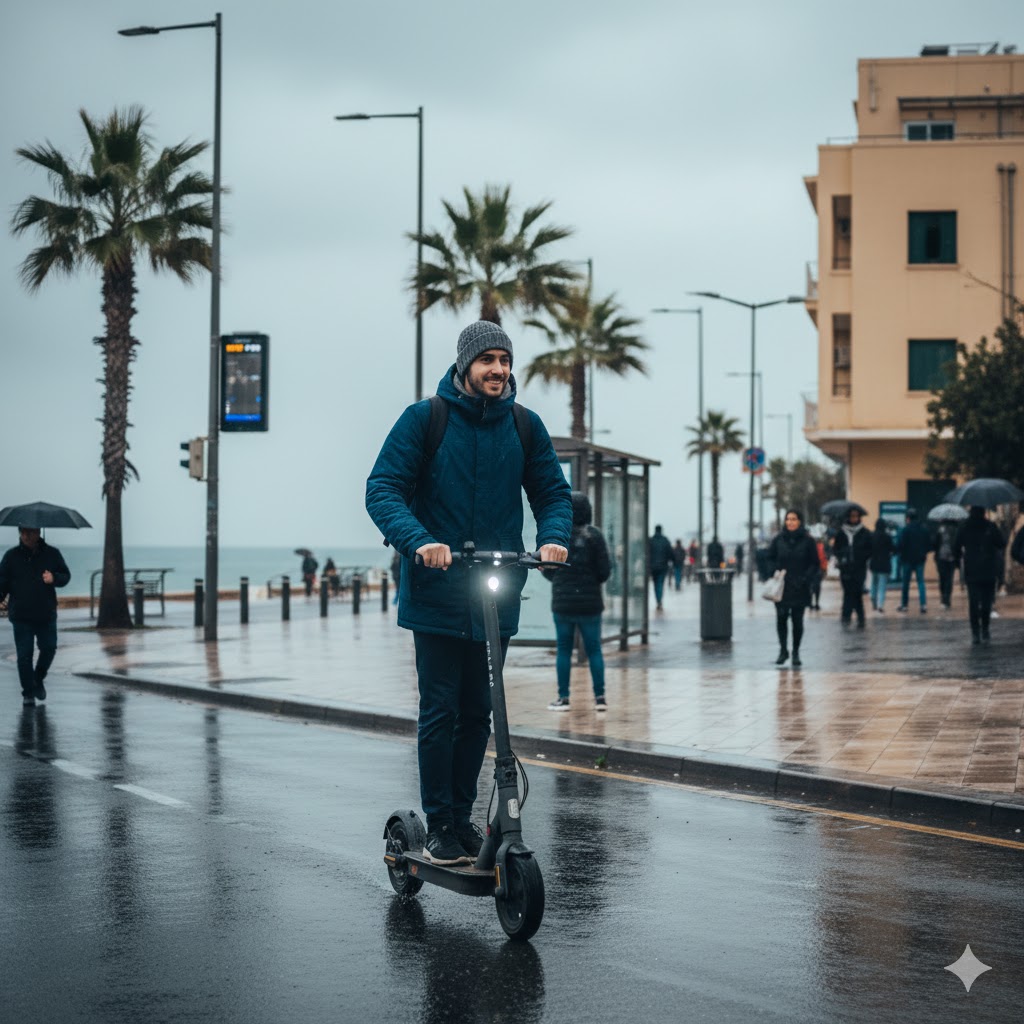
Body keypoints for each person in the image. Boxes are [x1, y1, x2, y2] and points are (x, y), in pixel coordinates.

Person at [365, 320, 571, 866]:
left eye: (505, 360)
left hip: (495, 593)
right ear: (466, 366)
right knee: (441, 709)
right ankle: (439, 825)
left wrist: (552, 539)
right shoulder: (425, 419)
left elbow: (552, 492)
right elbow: (383, 489)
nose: (499, 370)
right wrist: (419, 542)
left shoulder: (525, 427)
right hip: (437, 591)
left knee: (482, 710)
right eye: (488, 361)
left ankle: (463, 818)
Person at [543, 492, 611, 713]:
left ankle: (563, 698)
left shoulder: (560, 539)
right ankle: (600, 698)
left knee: (564, 649)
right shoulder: (595, 536)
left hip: (563, 603)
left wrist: (558, 579)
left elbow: (550, 572)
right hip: (591, 604)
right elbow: (604, 572)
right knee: (594, 650)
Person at [0, 526, 71, 706]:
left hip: (46, 613)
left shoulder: (52, 554)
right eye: (22, 532)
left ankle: (37, 679)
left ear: (38, 533)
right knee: (24, 655)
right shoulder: (11, 556)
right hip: (21, 615)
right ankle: (28, 694)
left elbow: (66, 576)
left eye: (29, 532)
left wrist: (54, 578)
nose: (25, 536)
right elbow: (2, 583)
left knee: (49, 648)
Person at [766, 510, 819, 667]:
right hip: (781, 587)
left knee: (797, 621)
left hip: (800, 586)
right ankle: (783, 650)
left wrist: (806, 578)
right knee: (781, 618)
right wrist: (774, 570)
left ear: (800, 521)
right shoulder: (778, 540)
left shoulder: (808, 541)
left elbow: (814, 563)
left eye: (794, 519)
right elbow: (769, 558)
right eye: (788, 519)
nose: (790, 522)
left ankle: (795, 651)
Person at [954, 506, 1005, 644]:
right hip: (988, 570)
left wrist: (959, 565)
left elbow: (956, 547)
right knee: (987, 602)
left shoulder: (964, 527)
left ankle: (975, 633)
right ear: (983, 513)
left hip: (972, 570)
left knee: (973, 602)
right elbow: (1001, 543)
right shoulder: (990, 526)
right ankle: (985, 630)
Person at [832, 507, 872, 626]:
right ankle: (846, 615)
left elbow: (870, 549)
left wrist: (860, 554)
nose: (854, 518)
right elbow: (836, 549)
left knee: (858, 592)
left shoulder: (865, 532)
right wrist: (843, 554)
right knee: (847, 592)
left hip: (859, 568)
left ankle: (860, 616)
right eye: (852, 516)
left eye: (856, 516)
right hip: (845, 568)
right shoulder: (841, 533)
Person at [896, 508, 931, 613]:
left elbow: (900, 545)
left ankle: (905, 605)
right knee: (921, 582)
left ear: (908, 518)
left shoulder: (905, 530)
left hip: (907, 560)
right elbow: (928, 544)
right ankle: (923, 605)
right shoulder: (924, 529)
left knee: (905, 583)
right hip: (920, 559)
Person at [869, 518, 895, 613]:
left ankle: (873, 599)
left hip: (874, 563)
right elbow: (893, 549)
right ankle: (880, 605)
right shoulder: (887, 537)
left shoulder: (871, 536)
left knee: (874, 583)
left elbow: (868, 549)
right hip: (884, 564)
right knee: (882, 585)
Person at [934, 521, 958, 609]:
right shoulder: (955, 530)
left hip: (941, 557)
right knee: (949, 579)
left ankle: (943, 597)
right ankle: (947, 598)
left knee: (942, 578)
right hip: (951, 558)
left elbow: (935, 543)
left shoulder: (940, 530)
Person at [648, 525, 673, 610]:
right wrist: (670, 560)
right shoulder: (665, 540)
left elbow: (647, 553)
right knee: (660, 583)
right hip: (663, 566)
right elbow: (670, 552)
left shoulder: (651, 540)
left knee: (655, 584)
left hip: (653, 566)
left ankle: (658, 600)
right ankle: (659, 600)